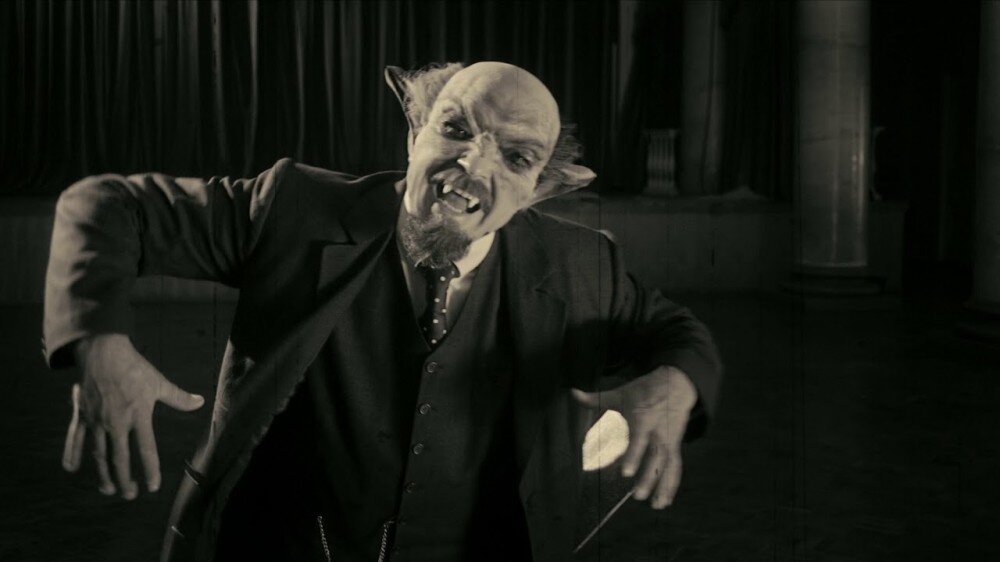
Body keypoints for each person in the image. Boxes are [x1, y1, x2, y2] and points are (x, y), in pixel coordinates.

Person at [44, 61, 722, 561]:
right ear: (415, 134)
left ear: (537, 190)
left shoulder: (580, 264)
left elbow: (675, 332)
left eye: (515, 156)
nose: (472, 164)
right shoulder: (292, 209)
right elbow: (107, 205)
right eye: (455, 128)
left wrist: (675, 385)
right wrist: (98, 339)